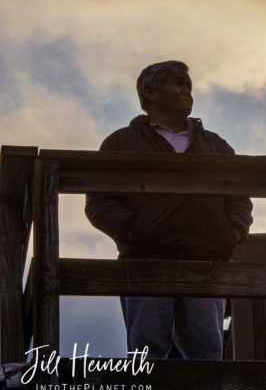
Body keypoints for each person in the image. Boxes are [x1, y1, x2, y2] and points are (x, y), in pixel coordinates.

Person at [85, 60, 253, 360]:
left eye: (188, 84)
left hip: (206, 260)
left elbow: (239, 198)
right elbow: (99, 201)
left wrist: (232, 232)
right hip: (144, 259)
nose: (186, 88)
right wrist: (134, 231)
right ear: (149, 92)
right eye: (177, 82)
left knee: (207, 354)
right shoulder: (121, 142)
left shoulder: (216, 145)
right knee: (146, 352)